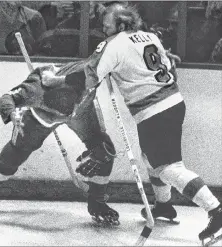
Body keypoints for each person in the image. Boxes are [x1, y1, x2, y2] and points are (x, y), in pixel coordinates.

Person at [78, 3, 222, 243]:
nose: (104, 30)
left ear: (121, 25)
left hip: (154, 112)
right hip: (173, 102)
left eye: (107, 26)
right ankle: (164, 205)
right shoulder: (150, 36)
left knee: (169, 168)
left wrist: (59, 82)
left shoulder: (114, 44)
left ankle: (215, 212)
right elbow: (167, 68)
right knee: (150, 159)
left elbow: (91, 74)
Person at [0, 60, 119, 226]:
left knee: (104, 149)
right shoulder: (35, 90)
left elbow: (110, 57)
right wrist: (12, 113)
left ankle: (97, 202)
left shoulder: (88, 73)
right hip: (42, 118)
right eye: (67, 101)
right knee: (15, 153)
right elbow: (6, 98)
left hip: (82, 111)